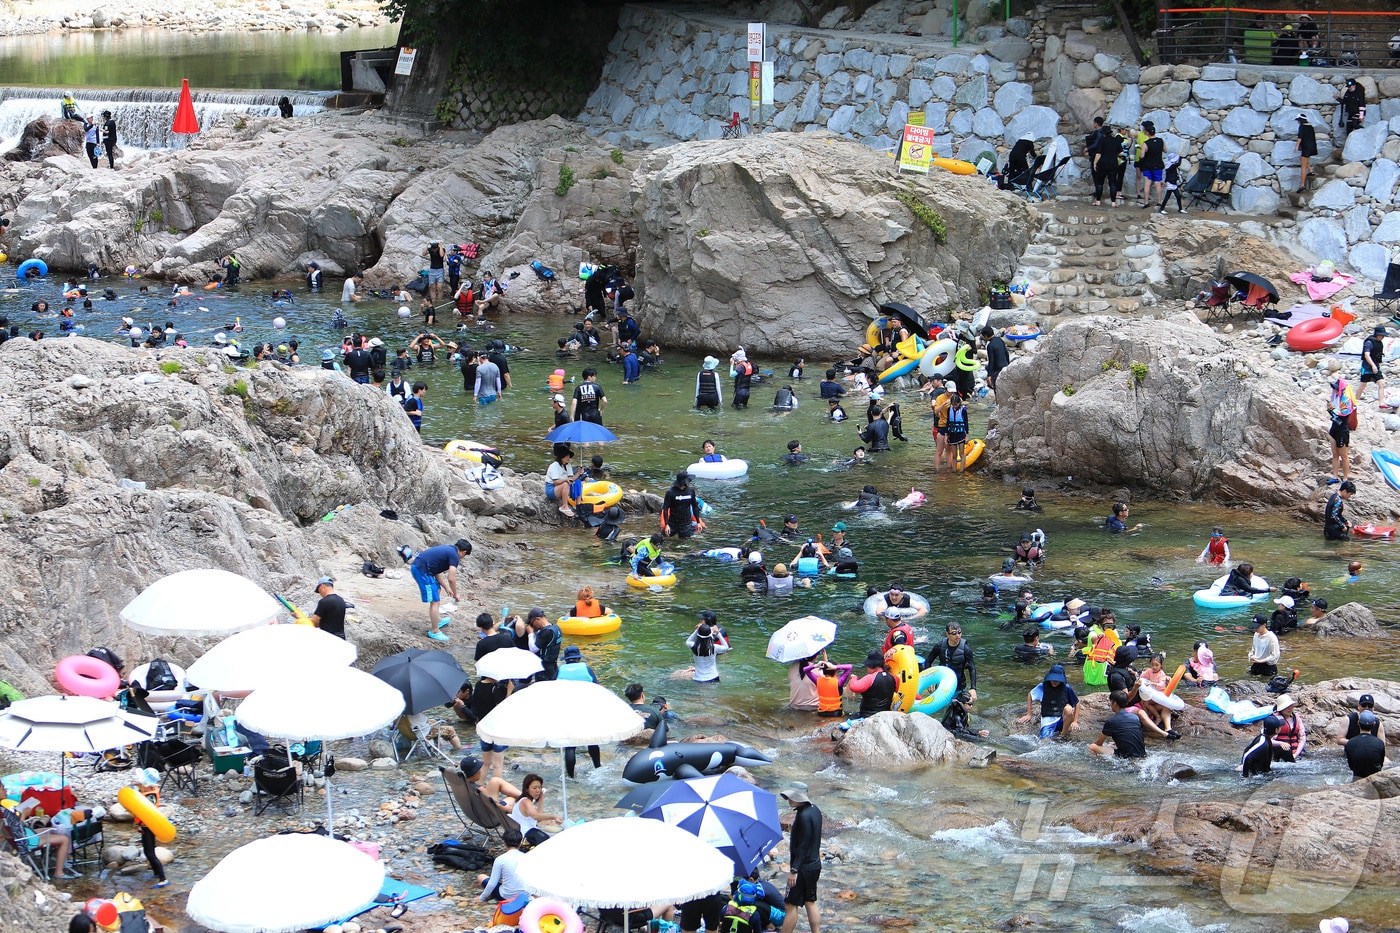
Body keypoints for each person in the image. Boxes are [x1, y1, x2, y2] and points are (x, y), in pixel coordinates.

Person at [779, 782, 822, 933]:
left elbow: (803, 846)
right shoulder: (814, 810)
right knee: (810, 901)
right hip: (814, 865)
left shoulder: (803, 816)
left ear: (800, 797)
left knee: (790, 905)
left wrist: (794, 870)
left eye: (792, 796)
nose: (789, 799)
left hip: (802, 868)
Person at [411, 539, 471, 639]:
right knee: (434, 601)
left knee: (437, 590)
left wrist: (446, 587)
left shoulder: (449, 550)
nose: (462, 558)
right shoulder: (454, 556)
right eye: (464, 556)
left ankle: (438, 620)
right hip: (421, 571)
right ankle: (435, 631)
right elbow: (451, 578)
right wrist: (456, 594)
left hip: (423, 569)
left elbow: (435, 570)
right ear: (464, 552)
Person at [1017, 663, 1080, 737]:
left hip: (1061, 718)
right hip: (1048, 720)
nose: (1054, 681)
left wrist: (1075, 721)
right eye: (1052, 679)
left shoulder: (1067, 688)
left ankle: (1063, 734)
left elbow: (1077, 702)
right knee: (1044, 740)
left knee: (1068, 709)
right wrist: (1029, 714)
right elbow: (1030, 695)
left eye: (1057, 680)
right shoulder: (1042, 686)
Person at [924, 622, 976, 701]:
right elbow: (928, 662)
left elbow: (972, 668)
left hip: (958, 686)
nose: (958, 635)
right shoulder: (940, 646)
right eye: (954, 633)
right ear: (947, 634)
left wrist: (973, 688)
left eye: (959, 632)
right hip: (942, 684)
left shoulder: (965, 649)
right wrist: (930, 681)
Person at [1089, 691, 1149, 759]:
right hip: (1142, 754)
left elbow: (1099, 743)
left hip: (1126, 756)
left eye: (1111, 702)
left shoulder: (1111, 721)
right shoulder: (1135, 718)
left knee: (1092, 747)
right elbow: (1133, 736)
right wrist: (1117, 742)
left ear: (1114, 703)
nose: (1110, 705)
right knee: (1112, 745)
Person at [478, 827, 527, 902]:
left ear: (504, 842)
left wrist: (481, 898)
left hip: (506, 896)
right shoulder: (527, 858)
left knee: (481, 877)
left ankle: (490, 895)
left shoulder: (500, 859)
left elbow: (492, 883)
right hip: (524, 896)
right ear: (520, 843)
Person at [847, 650, 896, 718]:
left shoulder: (870, 678)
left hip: (868, 716)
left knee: (848, 716)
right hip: (885, 715)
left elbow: (854, 687)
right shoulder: (893, 677)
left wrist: (854, 677)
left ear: (872, 666)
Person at [1328, 374, 1356, 482]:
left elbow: (1343, 414)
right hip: (1334, 427)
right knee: (1335, 453)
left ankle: (1345, 477)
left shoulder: (1346, 402)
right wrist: (1330, 409)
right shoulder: (1336, 399)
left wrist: (1333, 410)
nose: (1335, 391)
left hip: (1342, 429)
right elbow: (1334, 415)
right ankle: (1335, 476)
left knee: (1344, 455)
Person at [1345, 711, 1387, 780]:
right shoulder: (1380, 743)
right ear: (1374, 724)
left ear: (1358, 723)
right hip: (1375, 777)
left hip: (1357, 777)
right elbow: (1381, 763)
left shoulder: (1350, 743)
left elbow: (1351, 765)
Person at [661, 471, 705, 538]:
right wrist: (666, 524)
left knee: (684, 542)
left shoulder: (691, 491)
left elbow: (694, 506)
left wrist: (698, 522)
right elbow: (665, 508)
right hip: (673, 522)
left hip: (686, 523)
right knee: (664, 538)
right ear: (685, 483)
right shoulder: (670, 492)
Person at [685, 618, 730, 683]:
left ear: (698, 634)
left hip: (698, 679)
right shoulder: (714, 647)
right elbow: (726, 647)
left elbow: (687, 641)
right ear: (710, 635)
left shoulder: (694, 646)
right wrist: (718, 634)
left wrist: (696, 631)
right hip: (713, 677)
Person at [1136, 121, 1165, 209]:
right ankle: (1159, 202)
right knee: (1157, 184)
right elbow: (1165, 150)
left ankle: (1146, 202)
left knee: (1147, 184)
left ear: (1147, 133)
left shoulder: (1146, 143)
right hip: (1158, 165)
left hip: (1148, 166)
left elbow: (1142, 156)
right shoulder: (1161, 141)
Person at [1091, 123, 1121, 206]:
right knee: (1113, 183)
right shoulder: (1116, 140)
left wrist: (1094, 163)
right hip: (1113, 164)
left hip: (1102, 164)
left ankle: (1098, 200)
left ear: (1103, 133)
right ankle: (1113, 202)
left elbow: (1098, 154)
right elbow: (1121, 152)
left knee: (1100, 183)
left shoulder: (1102, 140)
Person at [527, 612, 562, 681]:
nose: (532, 626)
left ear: (537, 619)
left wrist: (530, 634)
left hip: (544, 667)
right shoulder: (556, 627)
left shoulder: (546, 632)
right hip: (553, 665)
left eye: (532, 623)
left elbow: (533, 649)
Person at [1271, 694, 1306, 762]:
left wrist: (1295, 754)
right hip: (1280, 753)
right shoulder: (1274, 720)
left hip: (1296, 753)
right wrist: (1280, 743)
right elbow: (1268, 740)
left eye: (1290, 706)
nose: (1289, 708)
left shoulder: (1297, 718)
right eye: (1286, 707)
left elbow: (1302, 739)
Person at [1358, 325, 1387, 404]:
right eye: (1381, 335)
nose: (1383, 337)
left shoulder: (1379, 343)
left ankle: (1381, 403)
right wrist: (1373, 365)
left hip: (1376, 367)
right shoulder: (1369, 342)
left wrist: (1376, 365)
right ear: (1377, 334)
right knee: (1363, 385)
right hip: (1367, 367)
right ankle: (1356, 401)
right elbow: (1366, 355)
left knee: (1382, 384)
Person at [982, 326, 1010, 401]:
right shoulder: (1000, 340)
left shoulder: (990, 346)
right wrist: (1008, 365)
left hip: (997, 370)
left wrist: (989, 375)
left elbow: (991, 361)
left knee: (997, 390)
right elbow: (1006, 353)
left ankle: (999, 405)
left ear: (985, 336)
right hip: (1005, 367)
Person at [1295, 114, 1318, 193]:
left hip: (1306, 148)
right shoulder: (1310, 126)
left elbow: (1300, 137)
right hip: (1311, 147)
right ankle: (1311, 171)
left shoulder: (1302, 127)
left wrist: (1296, 147)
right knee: (1302, 159)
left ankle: (1302, 185)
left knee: (1303, 167)